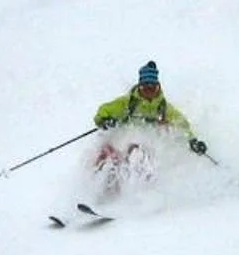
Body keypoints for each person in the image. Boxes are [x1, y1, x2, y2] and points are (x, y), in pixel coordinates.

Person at [83, 60, 204, 204]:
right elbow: (103, 111)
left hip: (145, 145)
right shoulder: (127, 103)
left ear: (158, 87)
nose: (149, 91)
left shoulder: (164, 108)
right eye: (146, 87)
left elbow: (182, 124)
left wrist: (192, 141)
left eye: (153, 87)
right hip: (120, 140)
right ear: (140, 86)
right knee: (107, 156)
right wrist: (105, 120)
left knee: (137, 154)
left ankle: (135, 199)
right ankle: (95, 196)